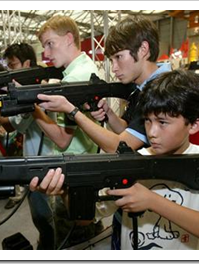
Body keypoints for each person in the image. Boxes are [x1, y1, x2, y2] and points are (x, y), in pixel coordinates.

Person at [30, 69, 199, 250]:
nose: (152, 132)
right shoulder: (131, 160)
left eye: (163, 122)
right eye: (147, 121)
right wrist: (67, 190)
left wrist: (152, 201)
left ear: (194, 125)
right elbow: (86, 219)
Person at [36, 15, 171, 248]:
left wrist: (72, 111)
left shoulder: (160, 90)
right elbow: (133, 133)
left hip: (158, 194)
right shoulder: (142, 88)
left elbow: (121, 145)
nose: (114, 67)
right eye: (111, 59)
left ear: (144, 49)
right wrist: (109, 115)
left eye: (119, 57)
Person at [0, 43, 58, 249]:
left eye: (13, 65)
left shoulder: (39, 90)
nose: (10, 70)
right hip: (35, 158)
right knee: (42, 217)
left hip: (44, 162)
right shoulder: (28, 90)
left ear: (27, 63)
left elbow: (12, 124)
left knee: (44, 217)